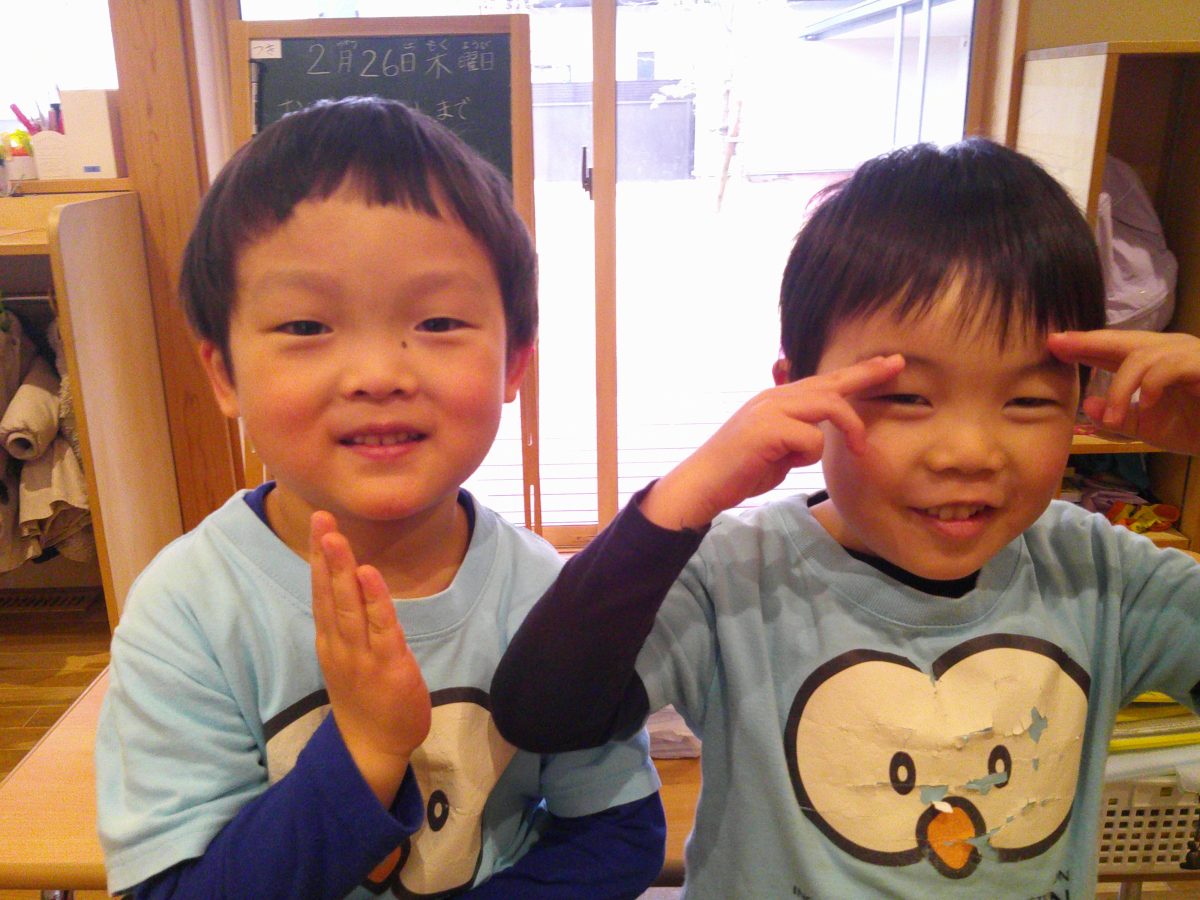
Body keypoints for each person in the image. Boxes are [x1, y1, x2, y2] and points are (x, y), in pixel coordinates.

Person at [491, 138, 1200, 897]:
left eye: (1028, 400)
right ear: (797, 392)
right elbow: (543, 714)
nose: (970, 452)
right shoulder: (737, 576)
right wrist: (685, 495)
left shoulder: (1101, 576)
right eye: (906, 397)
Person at [95, 97, 665, 899]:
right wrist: (364, 751)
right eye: (305, 326)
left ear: (514, 362)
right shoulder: (188, 612)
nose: (378, 374)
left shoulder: (546, 593)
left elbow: (616, 834)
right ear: (223, 373)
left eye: (438, 321)